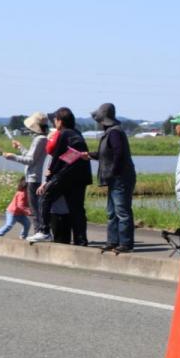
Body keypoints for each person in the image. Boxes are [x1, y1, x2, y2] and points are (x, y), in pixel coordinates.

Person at [28, 108, 92, 245]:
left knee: (45, 196)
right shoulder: (77, 133)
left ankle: (44, 231)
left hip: (66, 175)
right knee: (77, 209)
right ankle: (81, 239)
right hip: (81, 177)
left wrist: (49, 176)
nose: (54, 123)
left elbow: (58, 157)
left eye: (55, 120)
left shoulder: (63, 134)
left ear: (60, 122)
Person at [89, 103, 137, 253]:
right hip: (114, 178)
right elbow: (106, 155)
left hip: (120, 178)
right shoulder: (111, 131)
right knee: (111, 212)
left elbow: (118, 153)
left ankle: (126, 244)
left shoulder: (115, 133)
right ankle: (113, 241)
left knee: (122, 212)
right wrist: (89, 155)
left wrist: (113, 172)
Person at [2, 111, 50, 235]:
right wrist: (20, 147)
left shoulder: (39, 139)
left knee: (34, 209)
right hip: (36, 178)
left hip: (34, 179)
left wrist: (12, 156)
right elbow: (31, 156)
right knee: (36, 208)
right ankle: (40, 232)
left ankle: (39, 232)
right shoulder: (43, 138)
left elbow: (30, 160)